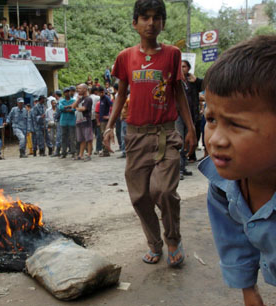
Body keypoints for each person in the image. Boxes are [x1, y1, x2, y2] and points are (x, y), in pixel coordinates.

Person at [103, 0, 196, 267]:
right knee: (140, 196)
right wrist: (109, 127)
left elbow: (178, 93)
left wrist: (190, 129)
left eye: (157, 18)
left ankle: (173, 239)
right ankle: (155, 244)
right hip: (135, 136)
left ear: (163, 23)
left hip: (166, 134)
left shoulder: (173, 54)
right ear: (135, 23)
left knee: (163, 190)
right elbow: (121, 95)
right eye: (145, 17)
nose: (151, 23)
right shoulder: (125, 57)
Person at [198, 35, 276, 306]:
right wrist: (247, 289)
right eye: (211, 119)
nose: (216, 139)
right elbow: (231, 238)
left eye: (236, 125)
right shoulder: (222, 182)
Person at [181, 60, 203, 163]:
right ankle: (182, 160)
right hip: (179, 115)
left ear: (189, 68)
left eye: (184, 66)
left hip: (193, 113)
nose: (182, 68)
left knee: (194, 134)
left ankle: (190, 155)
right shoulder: (177, 81)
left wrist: (197, 81)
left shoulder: (193, 81)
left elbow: (206, 86)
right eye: (180, 67)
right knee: (182, 136)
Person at [73, 84, 93, 161]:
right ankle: (80, 155)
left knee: (89, 139)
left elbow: (83, 108)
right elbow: (73, 106)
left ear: (85, 89)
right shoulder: (80, 99)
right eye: (77, 88)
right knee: (81, 139)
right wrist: (78, 100)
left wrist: (77, 108)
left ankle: (88, 155)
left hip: (86, 121)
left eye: (80, 88)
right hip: (79, 121)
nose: (78, 90)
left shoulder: (88, 99)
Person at [59, 88, 76, 158]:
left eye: (68, 92)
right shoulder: (61, 101)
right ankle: (63, 153)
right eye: (65, 92)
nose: (67, 93)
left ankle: (73, 152)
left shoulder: (73, 100)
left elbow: (74, 109)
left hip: (72, 121)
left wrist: (66, 108)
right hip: (63, 122)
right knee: (63, 138)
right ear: (64, 93)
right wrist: (69, 107)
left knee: (72, 138)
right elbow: (61, 108)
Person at [98, 86, 112, 157]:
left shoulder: (106, 98)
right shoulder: (101, 98)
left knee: (104, 135)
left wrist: (109, 116)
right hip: (102, 120)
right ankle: (105, 150)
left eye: (101, 92)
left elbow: (112, 105)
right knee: (102, 135)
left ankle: (106, 152)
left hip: (105, 121)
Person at [89, 86, 101, 155]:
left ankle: (90, 149)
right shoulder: (97, 97)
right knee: (98, 134)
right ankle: (98, 149)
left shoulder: (88, 97)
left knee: (90, 134)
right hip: (96, 117)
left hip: (89, 117)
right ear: (96, 91)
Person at [52, 90, 63, 157]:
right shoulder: (63, 100)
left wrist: (55, 117)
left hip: (60, 120)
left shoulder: (59, 102)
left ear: (56, 95)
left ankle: (57, 151)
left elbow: (58, 112)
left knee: (59, 136)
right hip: (64, 120)